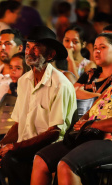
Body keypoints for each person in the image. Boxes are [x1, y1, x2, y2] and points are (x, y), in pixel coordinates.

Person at [0, 26, 77, 185]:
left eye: (36, 48)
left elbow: (54, 132)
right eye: (28, 47)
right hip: (24, 144)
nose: (30, 52)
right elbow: (18, 123)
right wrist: (2, 144)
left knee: (10, 158)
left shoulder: (60, 84)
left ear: (50, 55)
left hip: (49, 146)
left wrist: (14, 147)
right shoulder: (24, 80)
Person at [30, 32, 112, 185]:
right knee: (40, 159)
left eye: (103, 47)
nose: (98, 51)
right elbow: (94, 108)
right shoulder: (107, 86)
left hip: (107, 140)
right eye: (96, 47)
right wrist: (83, 122)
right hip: (90, 135)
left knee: (66, 165)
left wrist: (91, 124)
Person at [74, 33, 112, 100]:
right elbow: (73, 91)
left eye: (103, 47)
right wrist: (98, 96)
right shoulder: (91, 73)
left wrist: (85, 94)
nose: (97, 51)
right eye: (95, 48)